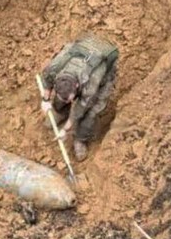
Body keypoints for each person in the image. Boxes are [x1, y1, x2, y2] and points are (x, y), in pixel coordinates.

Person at [40, 32, 118, 161]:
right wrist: (45, 100)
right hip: (84, 48)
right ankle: (59, 112)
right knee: (61, 98)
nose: (70, 101)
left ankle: (80, 139)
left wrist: (65, 130)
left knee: (93, 111)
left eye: (71, 99)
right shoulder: (55, 68)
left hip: (103, 60)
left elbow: (79, 109)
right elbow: (47, 80)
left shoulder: (90, 85)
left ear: (76, 85)